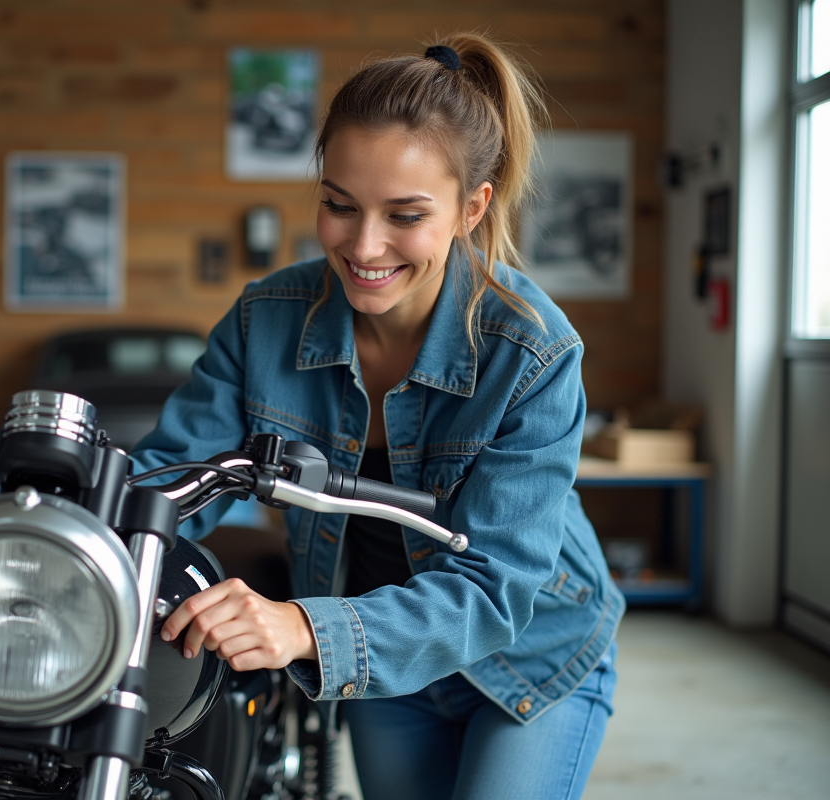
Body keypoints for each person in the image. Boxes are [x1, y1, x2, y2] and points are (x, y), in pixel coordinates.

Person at [132, 31, 624, 800]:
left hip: (532, 656)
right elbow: (172, 478)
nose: (364, 246)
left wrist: (303, 627)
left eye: (405, 215)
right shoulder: (265, 319)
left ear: (471, 208)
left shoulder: (533, 352)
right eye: (339, 205)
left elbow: (495, 587)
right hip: (384, 663)